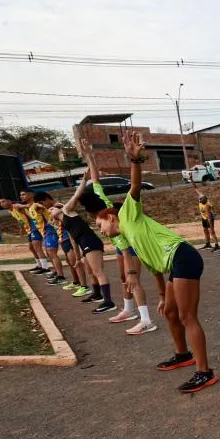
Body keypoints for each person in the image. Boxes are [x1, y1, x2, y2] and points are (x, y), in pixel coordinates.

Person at [95, 131, 216, 392]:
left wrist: (135, 161)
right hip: (173, 264)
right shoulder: (129, 239)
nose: (100, 230)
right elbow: (156, 271)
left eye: (100, 223)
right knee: (170, 311)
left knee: (187, 316)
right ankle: (183, 354)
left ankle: (204, 372)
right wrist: (162, 296)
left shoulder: (127, 214)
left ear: (111, 217)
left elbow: (135, 188)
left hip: (183, 255)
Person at [80, 139, 156, 330]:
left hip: (130, 247)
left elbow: (127, 251)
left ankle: (146, 319)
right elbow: (96, 179)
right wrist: (89, 156)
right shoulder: (102, 201)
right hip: (121, 247)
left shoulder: (110, 220)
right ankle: (129, 309)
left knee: (133, 279)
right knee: (124, 278)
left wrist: (130, 271)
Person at [0, 199, 42, 271]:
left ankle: (44, 267)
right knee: (31, 248)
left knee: (36, 247)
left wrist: (28, 206)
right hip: (28, 229)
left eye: (3, 201)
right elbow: (20, 219)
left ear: (10, 201)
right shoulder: (10, 211)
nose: (1, 204)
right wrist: (22, 229)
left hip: (34, 226)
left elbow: (24, 206)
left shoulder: (16, 206)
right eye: (0, 203)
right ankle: (39, 265)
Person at [191, 183, 220, 251]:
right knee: (205, 230)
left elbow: (209, 217)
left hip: (209, 218)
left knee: (211, 231)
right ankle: (208, 244)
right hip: (204, 218)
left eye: (201, 201)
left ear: (205, 201)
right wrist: (191, 180)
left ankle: (217, 245)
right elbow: (196, 189)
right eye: (200, 200)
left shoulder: (207, 205)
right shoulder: (202, 197)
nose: (200, 201)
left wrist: (211, 226)